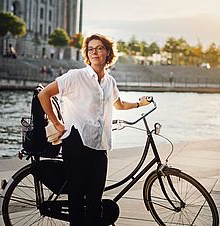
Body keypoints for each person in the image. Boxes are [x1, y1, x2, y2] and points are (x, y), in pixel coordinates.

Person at [38, 33, 150, 225]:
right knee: (77, 196)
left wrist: (139, 104)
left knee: (95, 197)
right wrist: (57, 123)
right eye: (91, 49)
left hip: (100, 144)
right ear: (87, 54)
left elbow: (119, 104)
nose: (95, 52)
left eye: (99, 48)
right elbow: (44, 94)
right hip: (77, 142)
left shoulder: (109, 81)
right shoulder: (76, 76)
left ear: (108, 53)